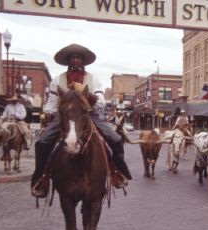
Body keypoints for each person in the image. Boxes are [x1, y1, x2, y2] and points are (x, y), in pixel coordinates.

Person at [31, 43, 132, 198]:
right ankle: (41, 179)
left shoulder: (93, 79)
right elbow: (50, 105)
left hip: (88, 115)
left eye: (79, 58)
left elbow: (101, 103)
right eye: (73, 58)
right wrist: (58, 112)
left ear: (84, 62)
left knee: (116, 139)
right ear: (68, 61)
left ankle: (118, 172)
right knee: (43, 142)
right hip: (64, 116)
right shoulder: (57, 80)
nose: (76, 61)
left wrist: (89, 97)